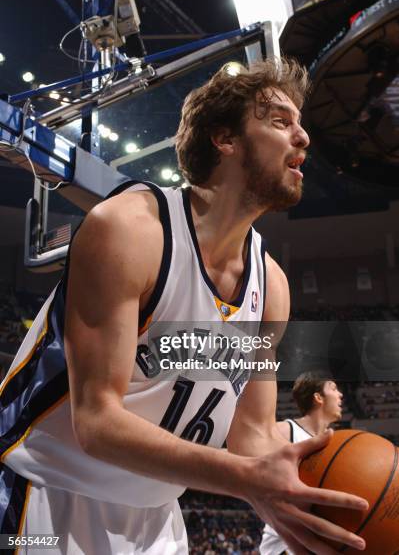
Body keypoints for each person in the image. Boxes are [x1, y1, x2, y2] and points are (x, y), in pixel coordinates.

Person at [0, 58, 368, 554]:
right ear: (225, 139)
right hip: (43, 495)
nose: (303, 137)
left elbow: (252, 434)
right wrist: (247, 480)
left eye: (300, 125)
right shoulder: (131, 229)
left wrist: (298, 501)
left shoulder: (271, 286)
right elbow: (97, 423)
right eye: (281, 122)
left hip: (156, 518)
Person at [260, 372, 344, 555]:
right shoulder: (285, 430)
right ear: (318, 397)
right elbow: (241, 457)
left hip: (316, 540)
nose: (341, 394)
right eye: (334, 388)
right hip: (283, 545)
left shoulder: (334, 445)